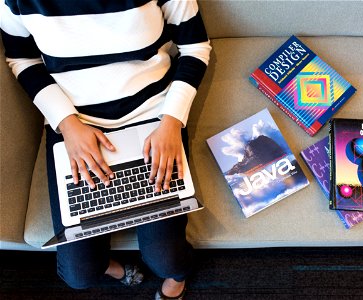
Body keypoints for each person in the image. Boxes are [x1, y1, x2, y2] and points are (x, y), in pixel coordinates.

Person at [1, 0, 211, 298]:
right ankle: (115, 268)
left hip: (154, 117)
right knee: (79, 273)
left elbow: (195, 47)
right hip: (75, 124)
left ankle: (176, 279)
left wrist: (172, 121)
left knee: (167, 258)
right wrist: (68, 124)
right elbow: (22, 58)